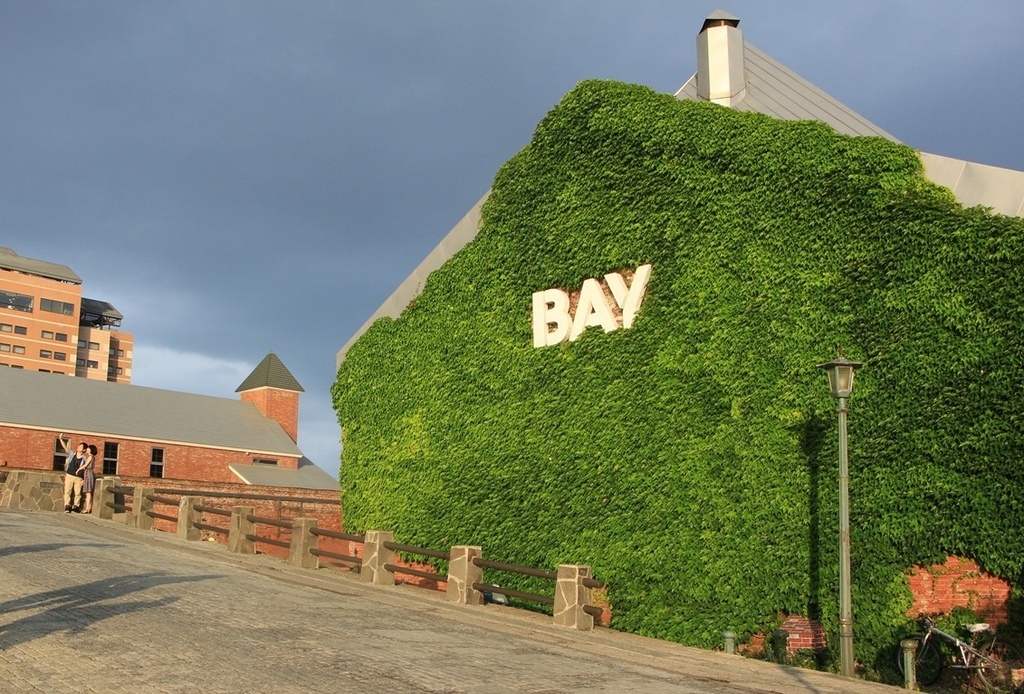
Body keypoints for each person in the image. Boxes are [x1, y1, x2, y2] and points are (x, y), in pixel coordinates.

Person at [58, 434, 86, 513]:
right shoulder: (72, 454)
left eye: (81, 447)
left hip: (78, 477)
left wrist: (83, 479)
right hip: (69, 475)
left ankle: (76, 506)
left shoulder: (84, 458)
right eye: (78, 446)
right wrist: (61, 439)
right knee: (68, 491)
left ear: (84, 450)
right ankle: (67, 505)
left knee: (77, 492)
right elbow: (65, 448)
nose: (78, 448)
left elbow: (85, 469)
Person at [80, 444, 98, 514]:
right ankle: (88, 508)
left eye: (88, 448)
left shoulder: (90, 456)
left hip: (88, 473)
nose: (87, 449)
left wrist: (79, 469)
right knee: (88, 492)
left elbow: (85, 465)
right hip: (88, 473)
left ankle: (87, 508)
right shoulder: (92, 457)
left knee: (88, 492)